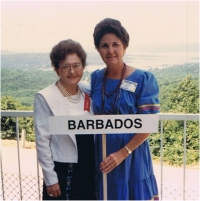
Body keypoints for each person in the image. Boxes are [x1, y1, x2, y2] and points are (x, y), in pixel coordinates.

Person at [91, 18, 160, 200]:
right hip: (103, 155)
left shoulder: (144, 79)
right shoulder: (96, 78)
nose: (111, 50)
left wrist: (123, 153)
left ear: (125, 46)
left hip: (132, 155)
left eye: (116, 44)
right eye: (104, 45)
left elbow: (149, 124)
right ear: (98, 49)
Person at [34, 39, 96, 200]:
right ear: (57, 70)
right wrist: (50, 179)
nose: (72, 71)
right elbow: (42, 141)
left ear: (83, 66)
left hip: (89, 165)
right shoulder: (45, 97)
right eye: (66, 67)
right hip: (63, 167)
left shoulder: (87, 90)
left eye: (77, 65)